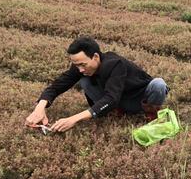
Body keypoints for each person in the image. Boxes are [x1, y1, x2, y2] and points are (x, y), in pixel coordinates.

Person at [24, 36, 169, 132]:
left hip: (137, 98)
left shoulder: (115, 64)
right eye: (76, 65)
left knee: (159, 84)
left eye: (82, 64)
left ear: (95, 56)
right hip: (117, 101)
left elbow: (111, 98)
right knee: (85, 80)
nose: (79, 69)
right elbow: (58, 85)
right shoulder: (81, 67)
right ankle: (114, 111)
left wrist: (73, 119)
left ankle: (150, 113)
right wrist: (40, 107)